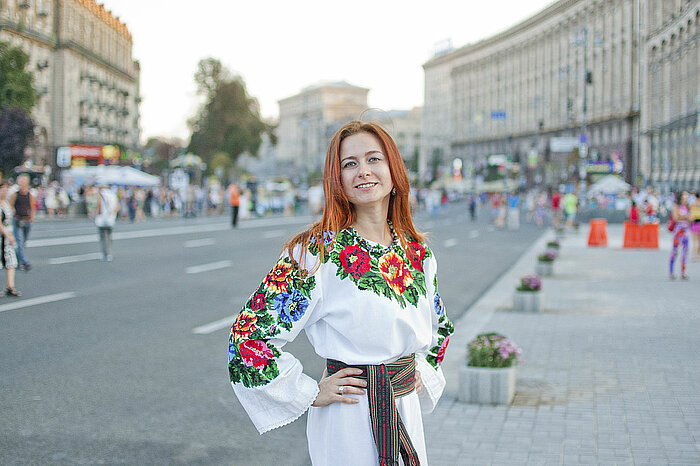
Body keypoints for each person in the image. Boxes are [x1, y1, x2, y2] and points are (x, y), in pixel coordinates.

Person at [227, 121, 454, 465]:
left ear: (393, 169)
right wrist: (309, 392)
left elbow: (441, 328)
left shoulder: (418, 253)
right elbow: (248, 338)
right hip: (347, 413)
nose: (363, 171)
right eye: (349, 164)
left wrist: (422, 370)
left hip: (404, 409)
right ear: (337, 178)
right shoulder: (315, 252)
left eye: (374, 159)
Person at [10, 174, 35, 272]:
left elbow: (33, 207)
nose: (22, 185)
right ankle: (25, 262)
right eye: (20, 183)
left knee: (23, 242)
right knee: (19, 242)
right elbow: (11, 205)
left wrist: (31, 218)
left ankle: (17, 259)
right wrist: (13, 213)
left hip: (27, 220)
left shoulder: (30, 195)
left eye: (24, 183)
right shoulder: (15, 194)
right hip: (18, 220)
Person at [0, 182, 21, 296]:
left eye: (6, 189)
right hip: (2, 237)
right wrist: (8, 235)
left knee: (11, 262)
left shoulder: (6, 203)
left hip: (7, 238)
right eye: (3, 189)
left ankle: (10, 286)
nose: (5, 191)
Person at [669, 191, 691, 280]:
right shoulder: (676, 207)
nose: (686, 198)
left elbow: (692, 218)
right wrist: (686, 217)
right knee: (675, 252)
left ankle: (683, 272)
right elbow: (676, 218)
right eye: (685, 196)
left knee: (685, 253)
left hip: (686, 233)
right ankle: (671, 272)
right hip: (678, 233)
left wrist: (683, 217)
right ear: (681, 198)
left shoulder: (687, 207)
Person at [95, 184, 119, 261]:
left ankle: (105, 253)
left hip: (103, 219)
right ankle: (109, 253)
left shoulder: (101, 194)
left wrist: (97, 216)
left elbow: (99, 207)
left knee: (103, 237)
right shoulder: (113, 194)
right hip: (111, 219)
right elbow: (118, 206)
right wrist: (112, 214)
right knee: (109, 236)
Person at [690, 191, 700, 262]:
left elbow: (690, 213)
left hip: (695, 222)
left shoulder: (692, 204)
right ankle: (697, 253)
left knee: (695, 241)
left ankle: (695, 255)